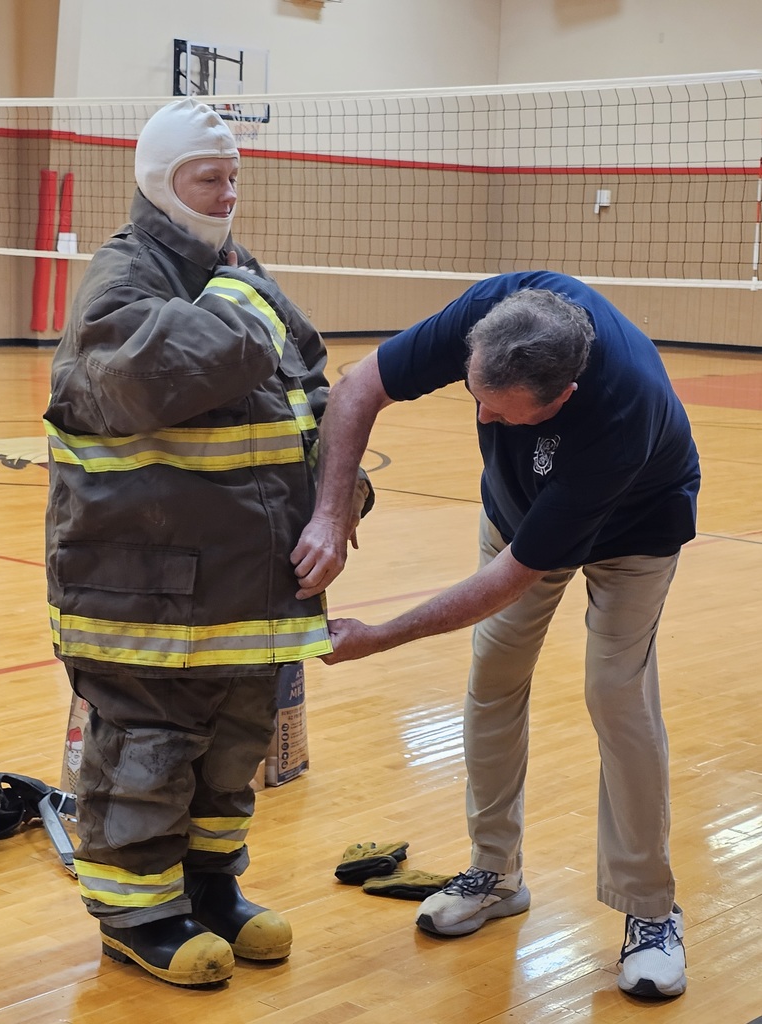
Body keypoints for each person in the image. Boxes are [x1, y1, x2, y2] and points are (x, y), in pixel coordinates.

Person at [291, 272, 699, 1001]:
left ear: (562, 398)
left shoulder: (615, 410)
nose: (482, 418)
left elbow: (511, 577)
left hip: (636, 526)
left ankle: (650, 913)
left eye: (501, 416)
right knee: (492, 679)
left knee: (616, 697)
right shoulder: (493, 314)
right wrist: (327, 511)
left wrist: (379, 635)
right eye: (475, 399)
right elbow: (358, 389)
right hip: (519, 515)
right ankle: (494, 873)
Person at [43, 98, 372, 988]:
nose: (225, 193)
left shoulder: (237, 272)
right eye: (205, 177)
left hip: (245, 593)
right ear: (159, 180)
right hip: (146, 593)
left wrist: (338, 503)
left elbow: (308, 386)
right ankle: (135, 911)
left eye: (232, 177)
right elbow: (158, 376)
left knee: (231, 752)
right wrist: (250, 306)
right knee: (148, 753)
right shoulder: (122, 279)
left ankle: (209, 886)